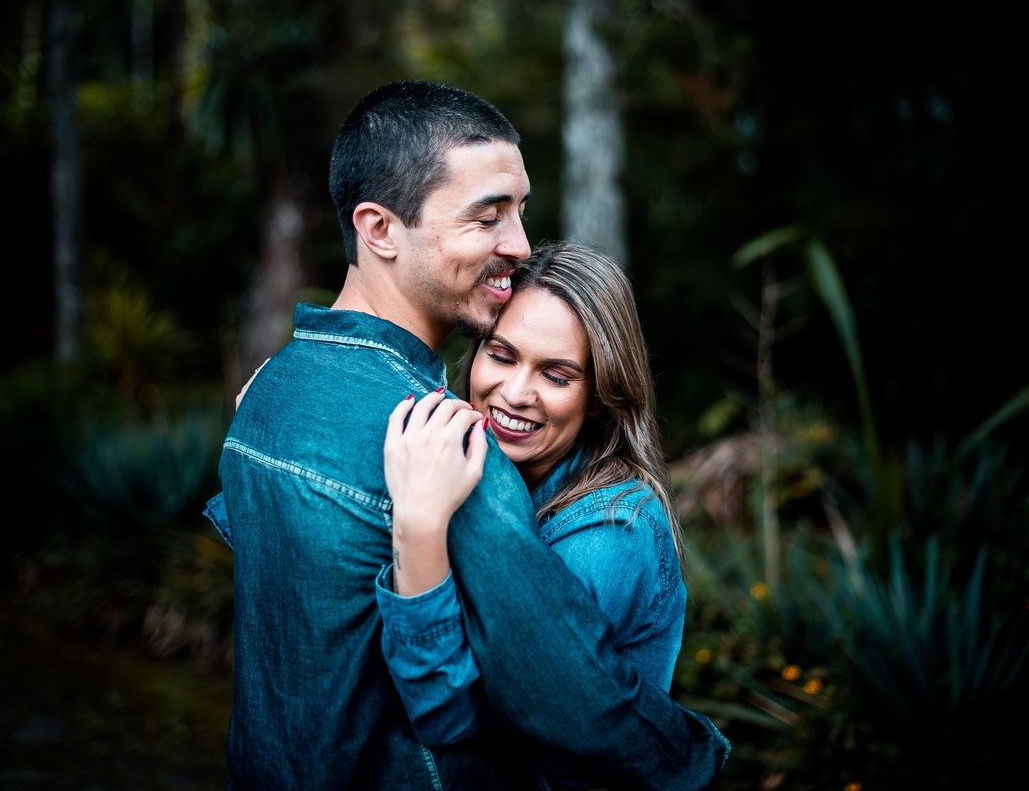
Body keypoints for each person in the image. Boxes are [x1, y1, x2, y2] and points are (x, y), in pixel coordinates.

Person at [205, 79, 730, 789]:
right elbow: (572, 700)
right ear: (380, 228)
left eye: (520, 211)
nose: (518, 244)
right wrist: (693, 755)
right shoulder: (449, 451)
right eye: (489, 217)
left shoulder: (270, 391)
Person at [379, 241, 701, 790]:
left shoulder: (611, 532)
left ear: (598, 395)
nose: (514, 393)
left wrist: (420, 530)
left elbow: (462, 723)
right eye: (502, 356)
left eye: (556, 375)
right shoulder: (478, 469)